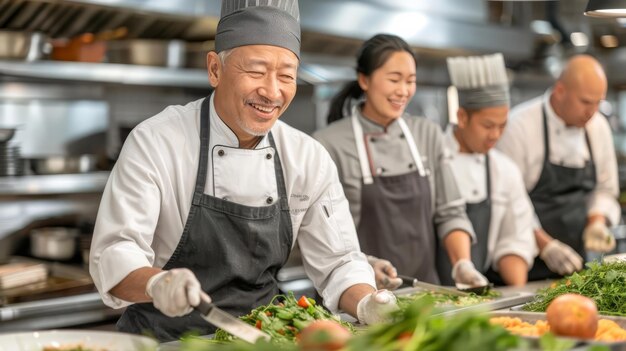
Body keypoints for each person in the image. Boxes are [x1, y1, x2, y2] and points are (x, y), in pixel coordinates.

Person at [89, 0, 396, 342]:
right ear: (215, 70)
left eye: (286, 76)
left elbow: (339, 262)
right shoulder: (157, 141)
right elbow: (115, 253)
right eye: (255, 70)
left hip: (261, 340)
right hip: (163, 341)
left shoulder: (307, 157)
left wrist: (368, 302)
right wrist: (156, 283)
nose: (272, 91)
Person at [313, 34, 488, 290]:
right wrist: (365, 264)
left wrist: (462, 263)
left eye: (410, 81)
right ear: (364, 80)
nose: (403, 91)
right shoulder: (328, 144)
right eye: (394, 79)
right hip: (357, 295)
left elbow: (450, 212)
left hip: (425, 295)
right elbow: (322, 238)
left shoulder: (427, 134)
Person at [497, 54, 619, 280]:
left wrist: (596, 221)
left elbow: (605, 188)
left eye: (597, 102)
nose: (591, 111)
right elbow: (508, 204)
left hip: (576, 266)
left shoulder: (598, 126)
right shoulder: (519, 127)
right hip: (524, 263)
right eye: (585, 102)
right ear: (560, 91)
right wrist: (546, 246)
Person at [439, 53, 537, 286]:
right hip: (427, 296)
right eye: (487, 126)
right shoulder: (432, 161)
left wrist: (518, 297)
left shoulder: (504, 170)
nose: (495, 135)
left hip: (479, 296)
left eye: (502, 125)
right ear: (462, 117)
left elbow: (515, 237)